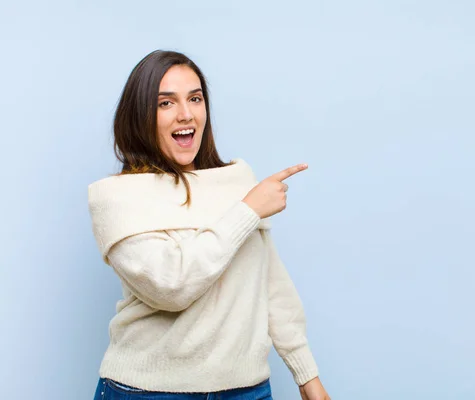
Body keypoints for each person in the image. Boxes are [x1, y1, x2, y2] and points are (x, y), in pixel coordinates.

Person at [88, 50, 330, 400]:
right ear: (140, 116)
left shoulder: (237, 181)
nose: (186, 114)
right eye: (165, 103)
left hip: (246, 390)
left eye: (195, 98)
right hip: (148, 392)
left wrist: (307, 375)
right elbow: (170, 288)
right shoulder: (117, 197)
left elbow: (269, 284)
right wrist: (248, 210)